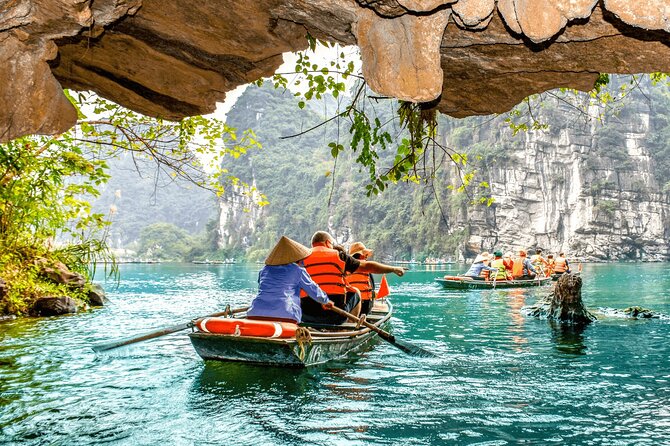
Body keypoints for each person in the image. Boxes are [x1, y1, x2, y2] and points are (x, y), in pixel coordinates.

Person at [300, 231, 405, 325]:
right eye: (332, 244)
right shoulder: (339, 256)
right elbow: (368, 266)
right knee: (356, 292)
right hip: (335, 317)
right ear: (328, 243)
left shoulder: (301, 258)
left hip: (306, 317)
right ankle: (351, 325)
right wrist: (393, 268)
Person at [247, 236, 334, 323]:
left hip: (255, 313)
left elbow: (262, 290)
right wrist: (325, 301)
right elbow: (313, 290)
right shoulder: (298, 270)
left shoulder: (263, 270)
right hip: (285, 315)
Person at [346, 242, 377, 315]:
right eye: (365, 254)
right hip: (365, 308)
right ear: (361, 256)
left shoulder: (345, 267)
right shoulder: (366, 268)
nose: (366, 257)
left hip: (349, 307)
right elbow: (373, 287)